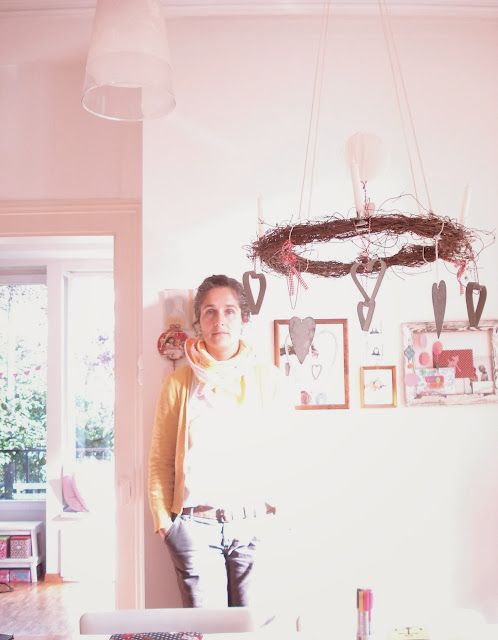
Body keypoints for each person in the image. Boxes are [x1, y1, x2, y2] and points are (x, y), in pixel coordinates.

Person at [148, 274, 291, 610]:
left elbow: (287, 450)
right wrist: (164, 523)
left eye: (229, 310)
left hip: (255, 524)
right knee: (207, 628)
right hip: (195, 527)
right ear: (199, 322)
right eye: (209, 311)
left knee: (255, 628)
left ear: (243, 319)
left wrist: (281, 512)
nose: (220, 320)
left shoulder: (268, 378)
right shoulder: (178, 384)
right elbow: (161, 459)